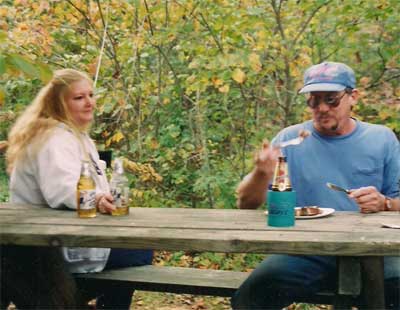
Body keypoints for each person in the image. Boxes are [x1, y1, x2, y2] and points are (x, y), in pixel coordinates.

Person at [231, 62, 400, 309]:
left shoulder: (381, 138)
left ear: (353, 97)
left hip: (374, 251)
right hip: (306, 251)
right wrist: (260, 173)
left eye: (331, 100)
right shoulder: (289, 139)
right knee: (251, 297)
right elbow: (245, 204)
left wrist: (385, 202)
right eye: (313, 101)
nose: (321, 108)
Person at [3, 69, 152, 309]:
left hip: (61, 238)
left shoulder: (77, 137)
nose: (89, 102)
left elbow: (90, 182)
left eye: (91, 95)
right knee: (140, 252)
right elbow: (62, 189)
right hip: (45, 248)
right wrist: (96, 199)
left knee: (137, 247)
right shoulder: (52, 138)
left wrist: (105, 195)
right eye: (79, 97)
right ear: (59, 102)